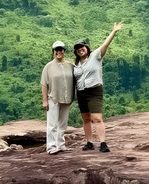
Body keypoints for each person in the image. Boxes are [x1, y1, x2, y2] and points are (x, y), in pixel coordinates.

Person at [73, 22, 124, 153]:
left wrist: (114, 31)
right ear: (76, 52)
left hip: (94, 91)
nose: (80, 49)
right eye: (78, 48)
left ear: (87, 48)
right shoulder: (76, 64)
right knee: (86, 119)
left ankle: (103, 143)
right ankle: (89, 142)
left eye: (82, 47)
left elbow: (105, 44)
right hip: (81, 93)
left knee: (97, 118)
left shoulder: (95, 56)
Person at [40, 40, 75, 154]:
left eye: (61, 50)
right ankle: (51, 147)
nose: (59, 52)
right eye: (56, 50)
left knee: (62, 124)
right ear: (53, 52)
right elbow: (44, 84)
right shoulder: (48, 67)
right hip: (53, 98)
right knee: (52, 124)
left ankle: (60, 144)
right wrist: (45, 101)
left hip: (66, 98)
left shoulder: (70, 65)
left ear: (64, 51)